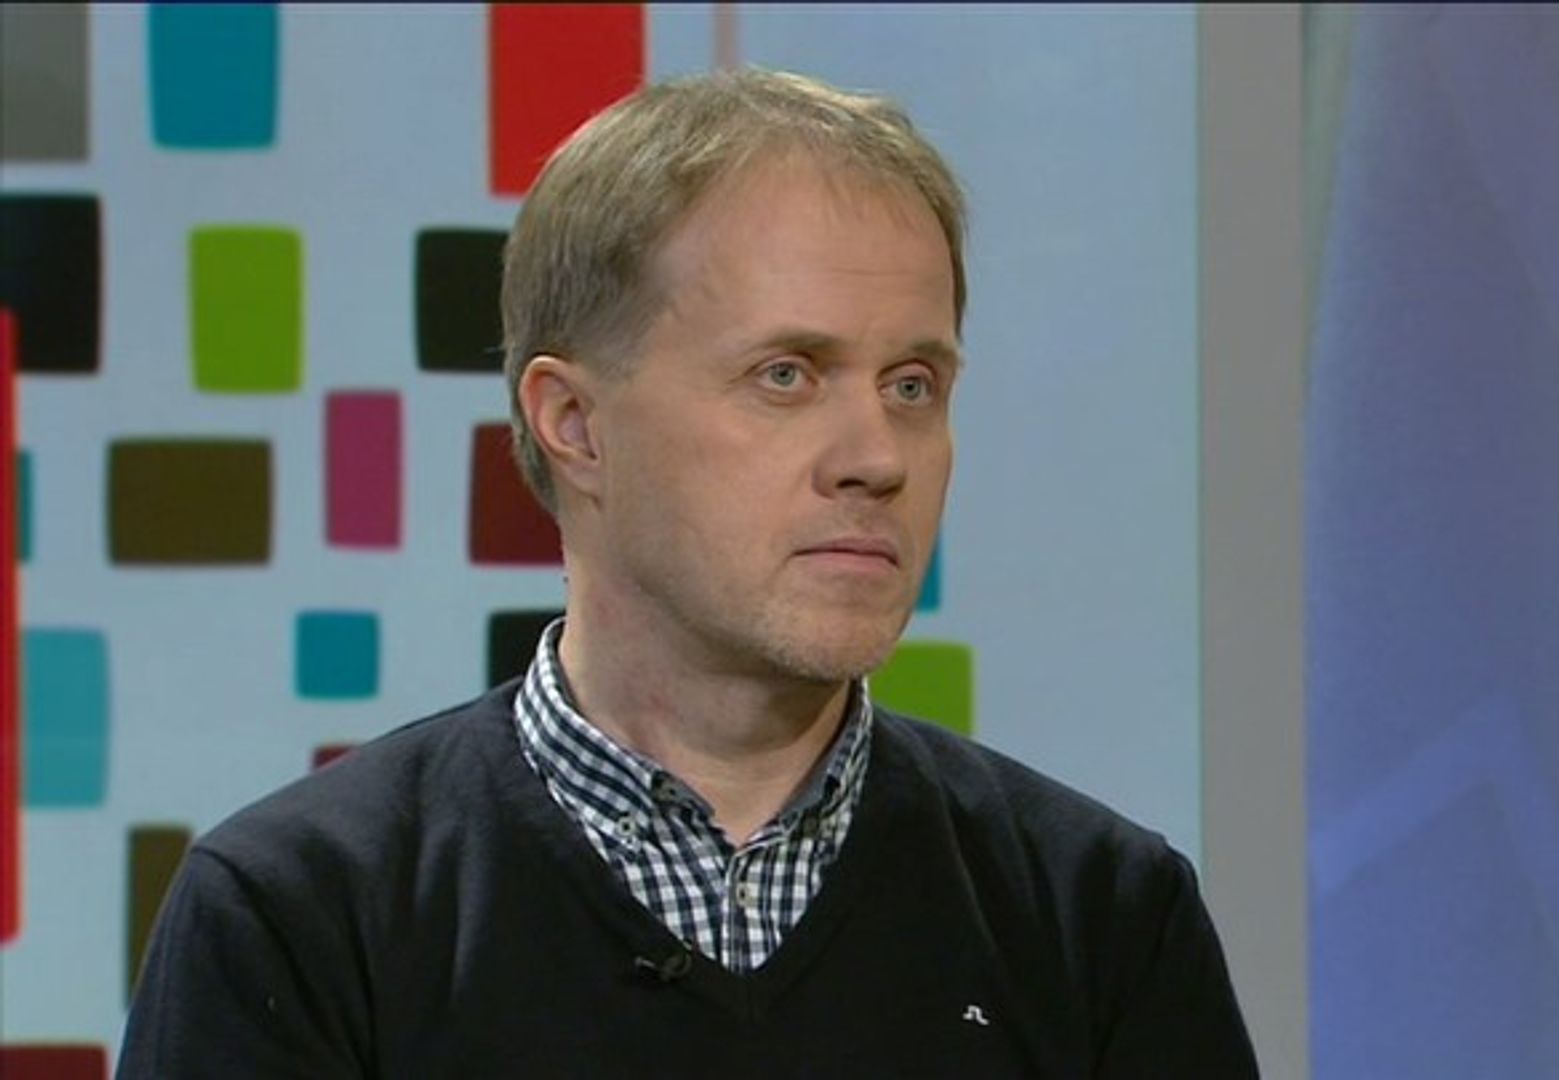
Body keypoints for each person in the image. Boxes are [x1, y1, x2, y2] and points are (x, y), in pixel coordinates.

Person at [119, 69, 1257, 1078]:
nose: (877, 458)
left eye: (913, 385)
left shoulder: (1100, 917)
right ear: (575, 423)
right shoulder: (300, 920)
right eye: (786, 374)